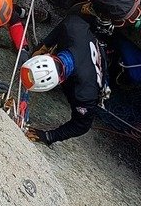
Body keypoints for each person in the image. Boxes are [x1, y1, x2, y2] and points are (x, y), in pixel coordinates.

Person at [20, 14, 108, 144]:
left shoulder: (84, 94)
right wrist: (45, 45)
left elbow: (81, 126)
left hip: (96, 74)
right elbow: (67, 21)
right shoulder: (72, 26)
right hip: (87, 47)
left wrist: (50, 136)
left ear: (60, 82)